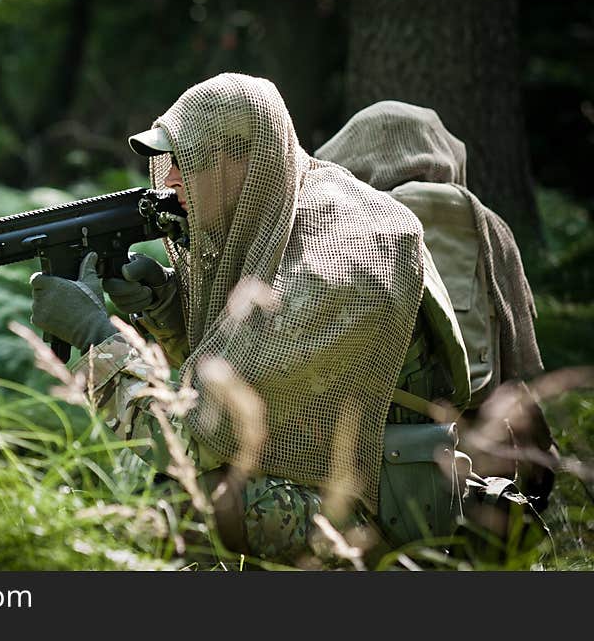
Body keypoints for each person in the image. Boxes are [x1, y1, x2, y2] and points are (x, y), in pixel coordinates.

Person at [29, 73, 474, 566]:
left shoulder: (341, 261)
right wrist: (166, 308)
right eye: (168, 160)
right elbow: (242, 373)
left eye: (186, 160)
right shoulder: (291, 212)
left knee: (180, 505)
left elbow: (194, 437)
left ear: (240, 158)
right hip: (323, 467)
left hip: (382, 510)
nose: (170, 179)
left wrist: (96, 337)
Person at [314, 100, 558, 516]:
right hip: (478, 448)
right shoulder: (489, 226)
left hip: (367, 444)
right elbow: (519, 356)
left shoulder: (340, 225)